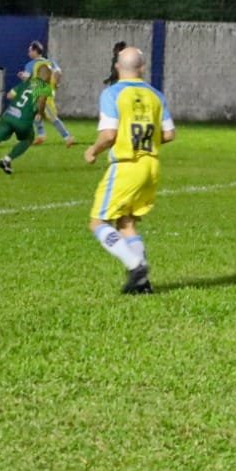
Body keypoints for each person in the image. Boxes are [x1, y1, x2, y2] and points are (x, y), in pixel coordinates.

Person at [85, 47, 175, 294]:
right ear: (142, 67)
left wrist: (93, 151)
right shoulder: (156, 95)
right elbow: (168, 133)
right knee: (126, 223)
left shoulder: (112, 93)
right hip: (150, 165)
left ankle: (135, 265)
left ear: (116, 66)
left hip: (126, 165)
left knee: (97, 222)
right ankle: (142, 284)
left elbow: (109, 134)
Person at [0, 64, 52, 176]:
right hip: (23, 120)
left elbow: (10, 96)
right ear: (48, 76)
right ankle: (6, 159)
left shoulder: (28, 82)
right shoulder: (44, 87)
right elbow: (41, 101)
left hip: (9, 115)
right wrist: (40, 113)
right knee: (28, 139)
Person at [18, 41, 75, 147]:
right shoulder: (50, 62)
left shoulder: (31, 65)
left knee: (52, 117)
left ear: (35, 51)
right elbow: (58, 72)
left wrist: (21, 76)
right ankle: (41, 135)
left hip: (39, 93)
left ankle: (67, 137)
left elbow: (26, 79)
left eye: (30, 50)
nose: (28, 53)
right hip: (47, 92)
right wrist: (56, 85)